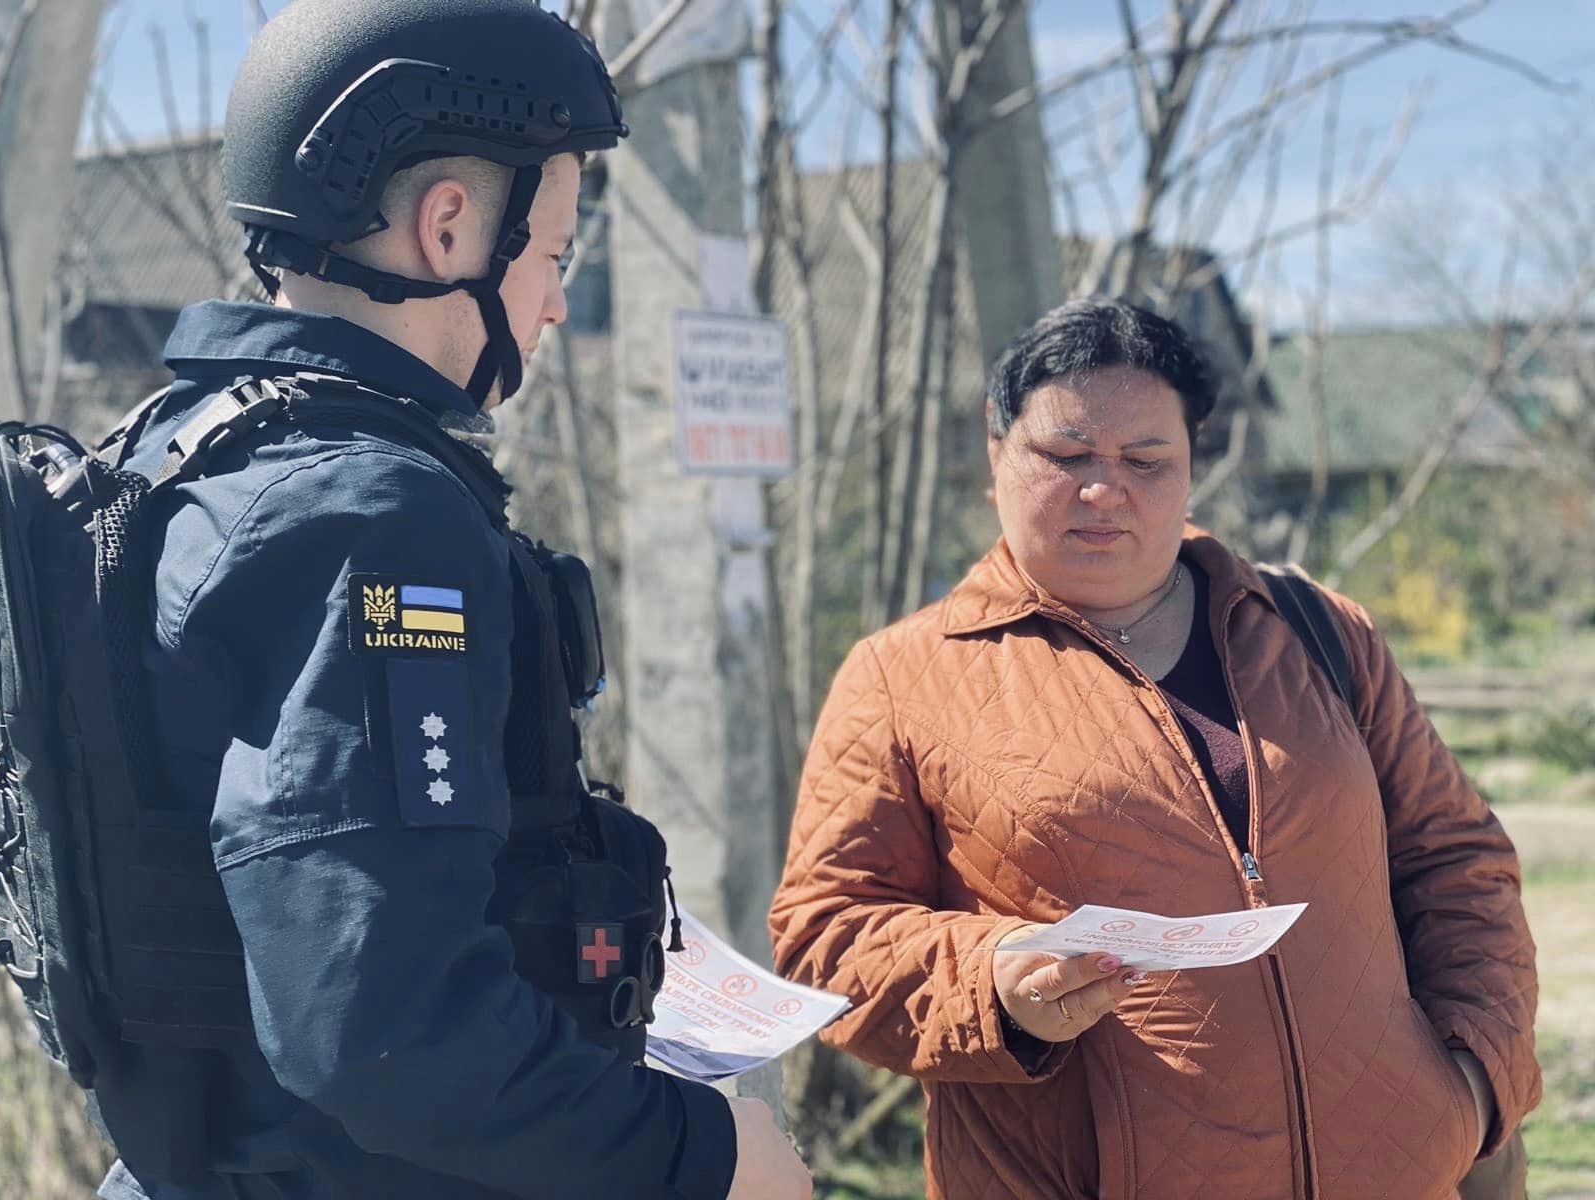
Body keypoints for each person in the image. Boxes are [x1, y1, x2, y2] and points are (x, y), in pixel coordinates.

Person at [88, 2, 811, 1198]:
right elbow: (384, 1028)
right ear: (448, 228)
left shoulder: (178, 456)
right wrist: (706, 1155)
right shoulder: (375, 512)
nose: (556, 301)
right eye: (556, 255)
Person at [768, 299, 1539, 1199]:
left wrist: (1473, 1082)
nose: (1105, 490)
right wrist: (991, 983)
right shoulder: (903, 676)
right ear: (996, 451)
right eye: (1066, 457)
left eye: (1145, 460)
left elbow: (1456, 862)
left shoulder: (1318, 631)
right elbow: (825, 937)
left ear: (1191, 464)